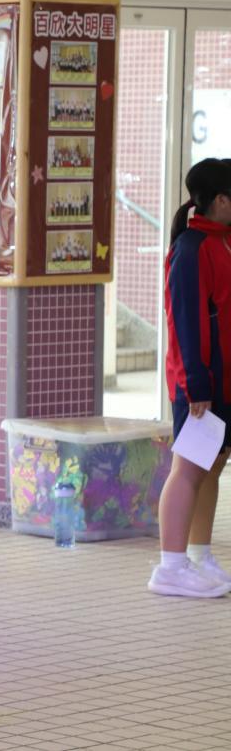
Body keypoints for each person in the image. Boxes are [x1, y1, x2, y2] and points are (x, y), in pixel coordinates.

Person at [151, 158, 231, 598]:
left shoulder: (223, 242)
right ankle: (170, 566)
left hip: (223, 382)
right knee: (188, 469)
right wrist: (196, 384)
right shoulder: (192, 249)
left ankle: (198, 556)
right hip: (199, 385)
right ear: (221, 200)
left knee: (212, 465)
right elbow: (185, 321)